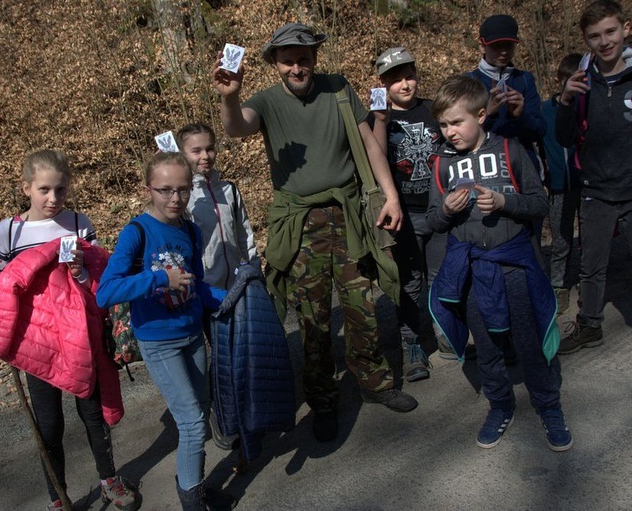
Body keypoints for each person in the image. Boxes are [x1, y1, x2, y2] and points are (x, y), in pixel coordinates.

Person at [212, 22, 418, 443]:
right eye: (287, 60)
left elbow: (371, 146)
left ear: (314, 60)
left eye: (303, 59)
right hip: (301, 224)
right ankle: (324, 401)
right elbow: (236, 127)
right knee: (313, 318)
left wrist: (390, 197)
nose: (296, 67)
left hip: (349, 215)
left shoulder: (339, 89)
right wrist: (229, 97)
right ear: (275, 64)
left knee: (362, 304)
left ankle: (376, 383)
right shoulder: (266, 102)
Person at [0, 149, 139, 511]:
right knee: (49, 426)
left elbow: (100, 281)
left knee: (93, 413)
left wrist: (83, 270)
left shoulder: (79, 223)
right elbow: (2, 289)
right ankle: (57, 497)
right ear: (26, 188)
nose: (53, 199)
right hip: (38, 343)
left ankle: (109, 479)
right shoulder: (9, 231)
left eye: (61, 190)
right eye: (44, 190)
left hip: (81, 335)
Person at [426, 75, 571, 452]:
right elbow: (431, 221)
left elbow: (540, 203)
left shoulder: (510, 148)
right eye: (443, 124)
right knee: (487, 348)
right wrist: (444, 209)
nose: (449, 132)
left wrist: (507, 203)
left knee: (528, 342)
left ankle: (549, 406)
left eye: (457, 122)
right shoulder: (441, 164)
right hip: (472, 272)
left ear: (481, 116)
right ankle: (500, 405)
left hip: (514, 266)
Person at [96, 153, 234, 511]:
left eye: (183, 190)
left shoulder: (189, 229)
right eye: (165, 190)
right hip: (159, 341)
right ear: (148, 189)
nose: (175, 199)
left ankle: (197, 488)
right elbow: (106, 291)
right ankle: (191, 500)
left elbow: (198, 287)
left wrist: (231, 296)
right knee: (191, 423)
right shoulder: (137, 232)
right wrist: (160, 278)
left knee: (199, 413)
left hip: (191, 335)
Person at [555, 0, 632, 386]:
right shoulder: (580, 82)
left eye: (610, 32)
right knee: (591, 269)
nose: (604, 41)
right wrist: (565, 101)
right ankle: (590, 325)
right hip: (595, 191)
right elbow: (563, 138)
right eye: (594, 36)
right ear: (585, 40)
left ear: (624, 29)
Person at [367, 47, 450, 381]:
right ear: (382, 84)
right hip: (405, 213)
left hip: (440, 208)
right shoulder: (378, 119)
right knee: (410, 282)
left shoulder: (433, 110)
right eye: (395, 79)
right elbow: (375, 157)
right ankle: (411, 343)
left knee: (444, 274)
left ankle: (446, 332)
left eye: (409, 76)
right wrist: (382, 121)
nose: (405, 84)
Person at [178, 123, 259, 291]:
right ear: (182, 155)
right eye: (196, 151)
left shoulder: (229, 190)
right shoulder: (181, 196)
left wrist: (255, 268)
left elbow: (244, 234)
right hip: (204, 288)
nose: (205, 156)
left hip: (236, 284)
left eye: (209, 149)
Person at [465, 14, 546, 180]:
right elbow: (462, 134)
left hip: (523, 168)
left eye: (508, 46)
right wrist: (488, 114)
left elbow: (539, 130)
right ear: (482, 45)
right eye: (496, 46)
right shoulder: (469, 81)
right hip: (484, 170)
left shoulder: (524, 79)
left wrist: (519, 116)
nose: (503, 52)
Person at [540, 53, 582, 315]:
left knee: (589, 236)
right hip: (557, 184)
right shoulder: (545, 110)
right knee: (561, 237)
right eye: (569, 80)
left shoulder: (587, 107)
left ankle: (589, 281)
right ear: (559, 80)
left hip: (587, 182)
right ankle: (559, 285)